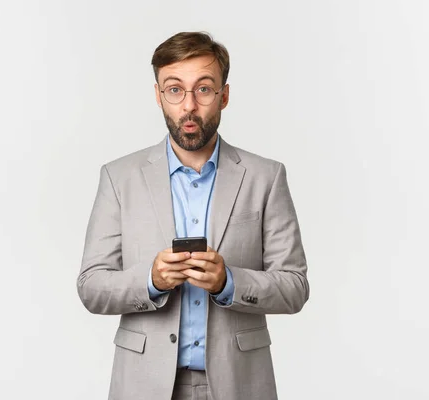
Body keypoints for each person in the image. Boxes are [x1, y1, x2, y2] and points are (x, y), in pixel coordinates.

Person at [77, 31, 309, 400]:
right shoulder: (119, 177)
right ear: (158, 96)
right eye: (174, 89)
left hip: (240, 383)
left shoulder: (266, 177)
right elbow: (91, 287)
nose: (188, 105)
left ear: (224, 96)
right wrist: (150, 280)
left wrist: (228, 281)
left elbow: (295, 287)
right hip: (143, 384)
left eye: (203, 89)